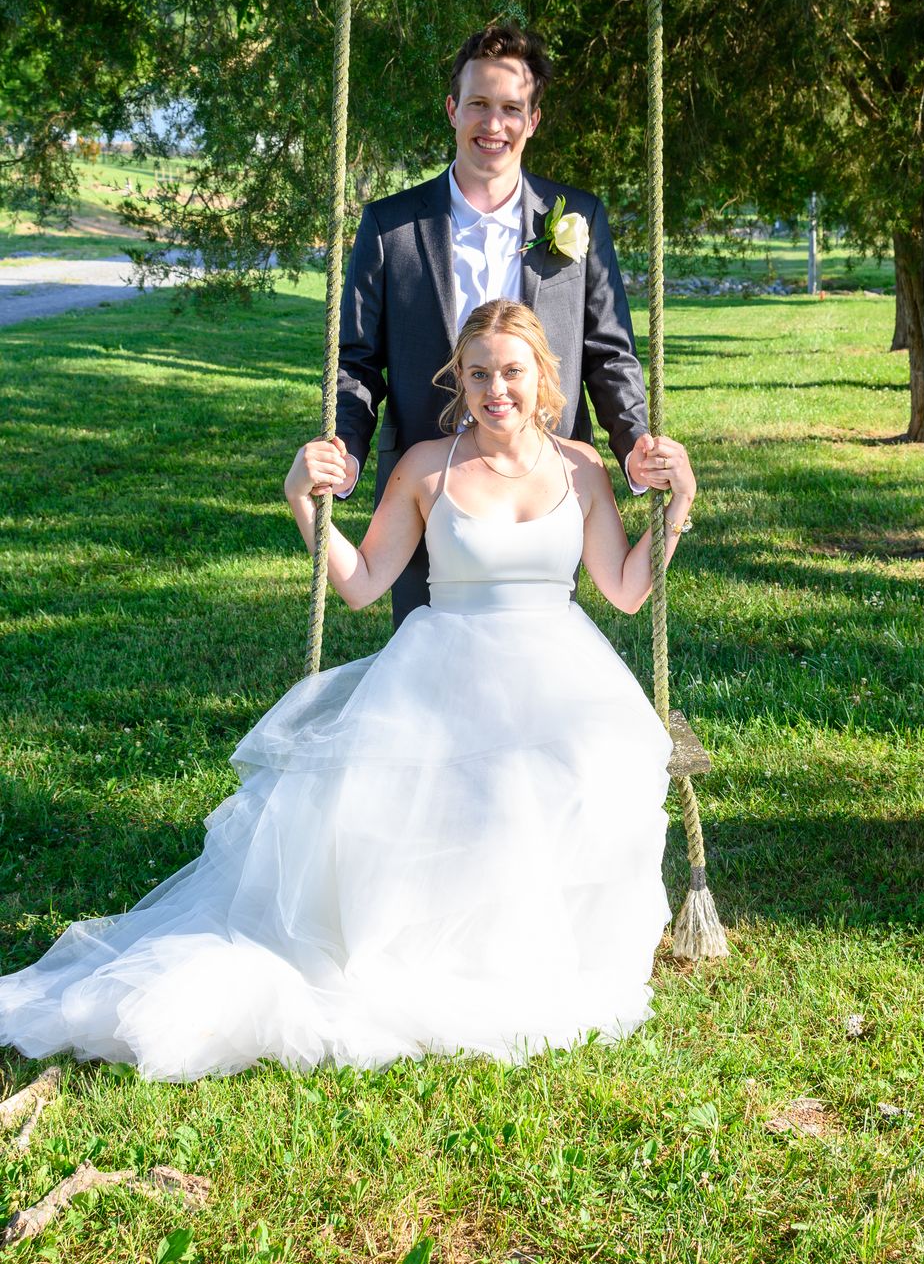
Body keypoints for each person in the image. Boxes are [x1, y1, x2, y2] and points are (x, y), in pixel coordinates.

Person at [0, 302, 695, 1082]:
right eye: (478, 374)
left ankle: (533, 950)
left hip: (560, 671)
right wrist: (303, 503)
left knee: (582, 776)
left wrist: (676, 512)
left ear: (542, 378)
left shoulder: (580, 467)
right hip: (446, 668)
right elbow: (363, 584)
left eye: (511, 371)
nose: (496, 388)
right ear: (458, 382)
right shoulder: (427, 465)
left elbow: (626, 590)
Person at [335, 23, 672, 626]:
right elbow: (356, 361)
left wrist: (634, 444)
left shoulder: (578, 218)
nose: (494, 125)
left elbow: (609, 352)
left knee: (531, 639)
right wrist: (346, 450)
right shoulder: (390, 227)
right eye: (479, 105)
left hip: (541, 479)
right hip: (429, 481)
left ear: (533, 120)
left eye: (512, 108)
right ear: (452, 110)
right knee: (426, 645)